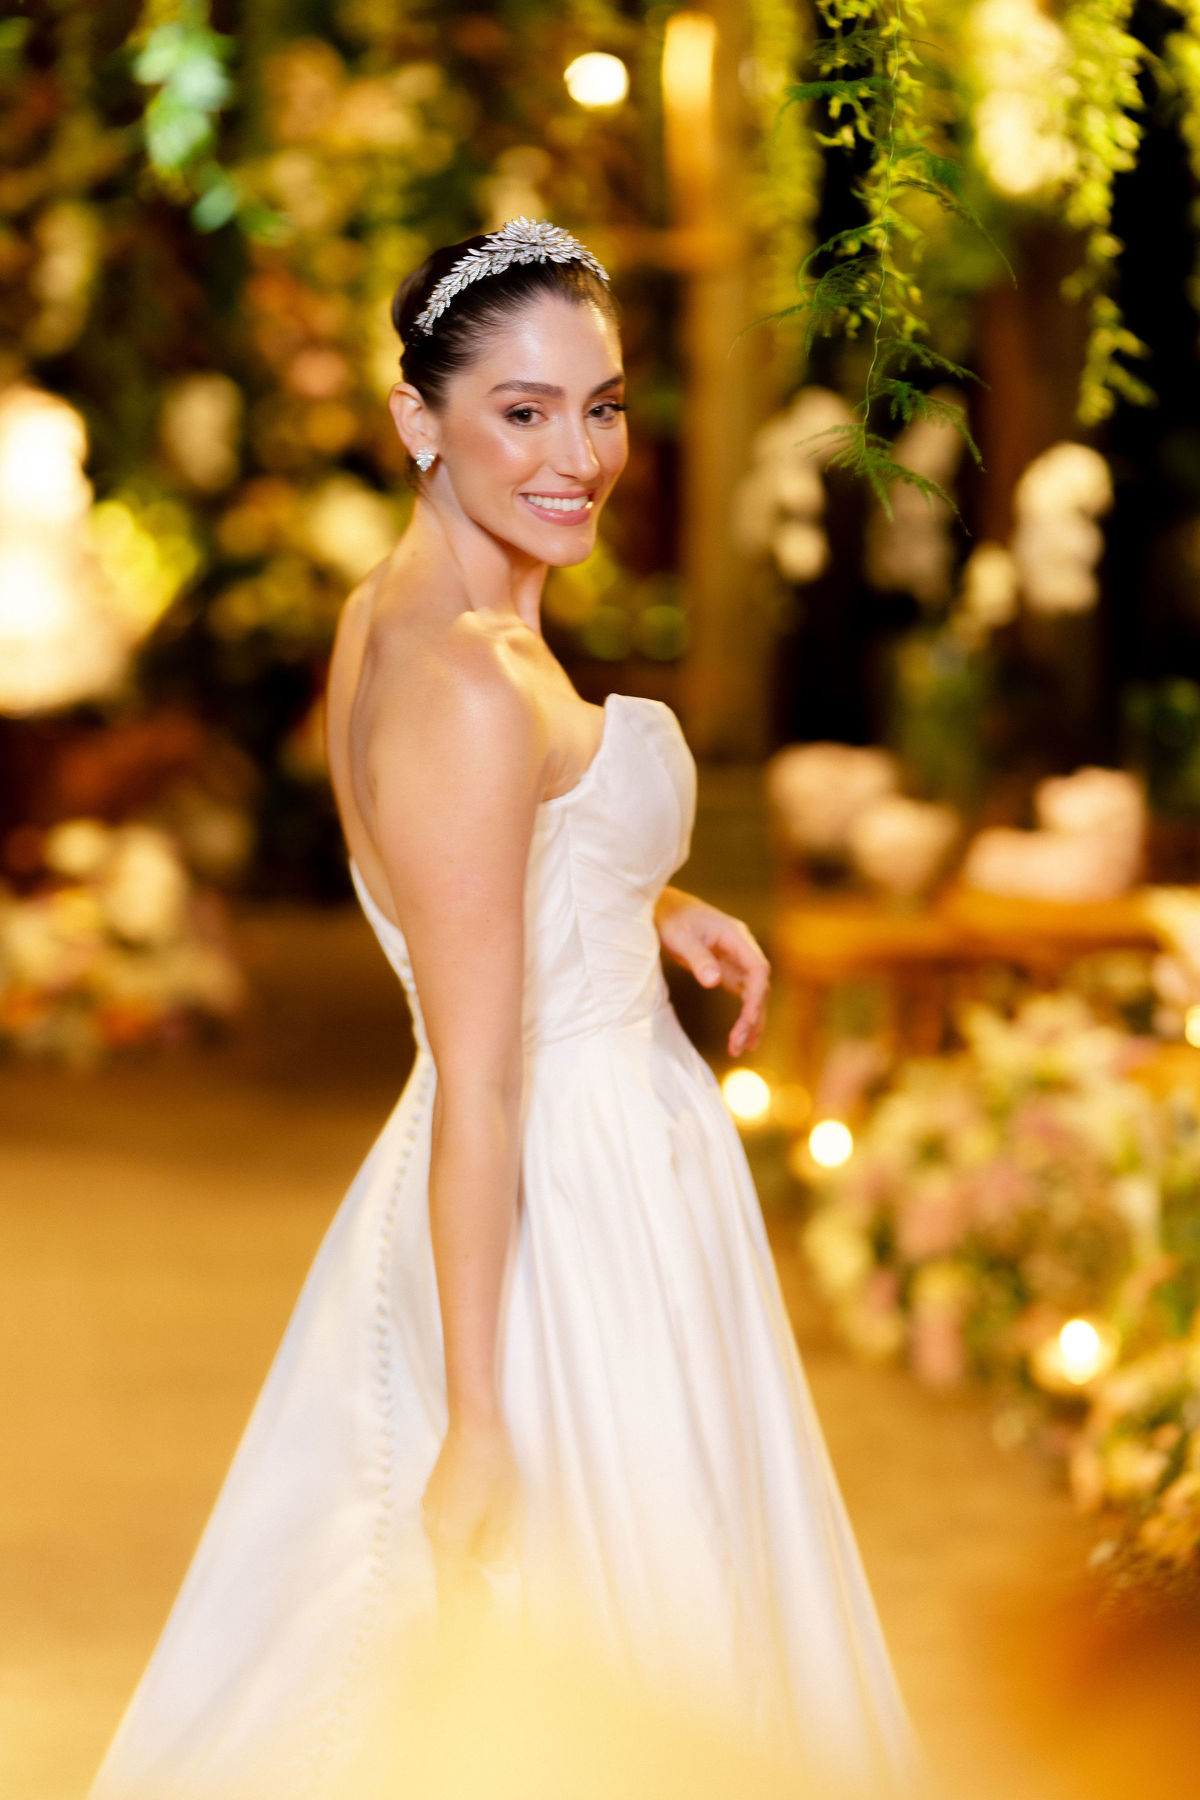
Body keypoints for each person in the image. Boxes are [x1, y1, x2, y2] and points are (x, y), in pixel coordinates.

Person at [89, 220, 924, 1800]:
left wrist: (641, 903)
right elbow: (480, 1075)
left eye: (601, 408)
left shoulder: (404, 613)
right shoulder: (467, 674)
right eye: (522, 412)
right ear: (420, 420)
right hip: (559, 1198)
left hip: (585, 1153)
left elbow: (464, 867)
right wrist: (481, 1414)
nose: (579, 457)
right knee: (603, 1654)